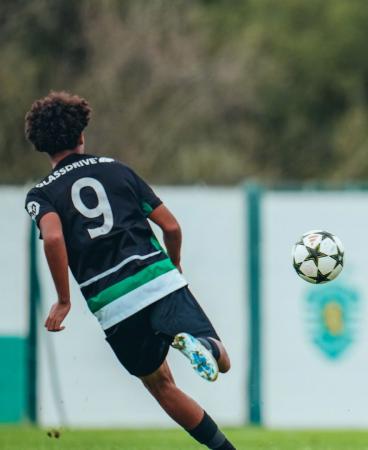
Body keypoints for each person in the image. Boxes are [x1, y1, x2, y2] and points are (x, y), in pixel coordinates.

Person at [24, 91, 236, 450]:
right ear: (81, 135)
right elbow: (171, 226)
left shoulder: (41, 194)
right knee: (223, 361)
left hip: (113, 302)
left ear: (41, 145)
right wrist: (175, 265)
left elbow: (54, 237)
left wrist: (63, 300)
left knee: (160, 385)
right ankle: (200, 346)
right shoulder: (116, 169)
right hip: (158, 279)